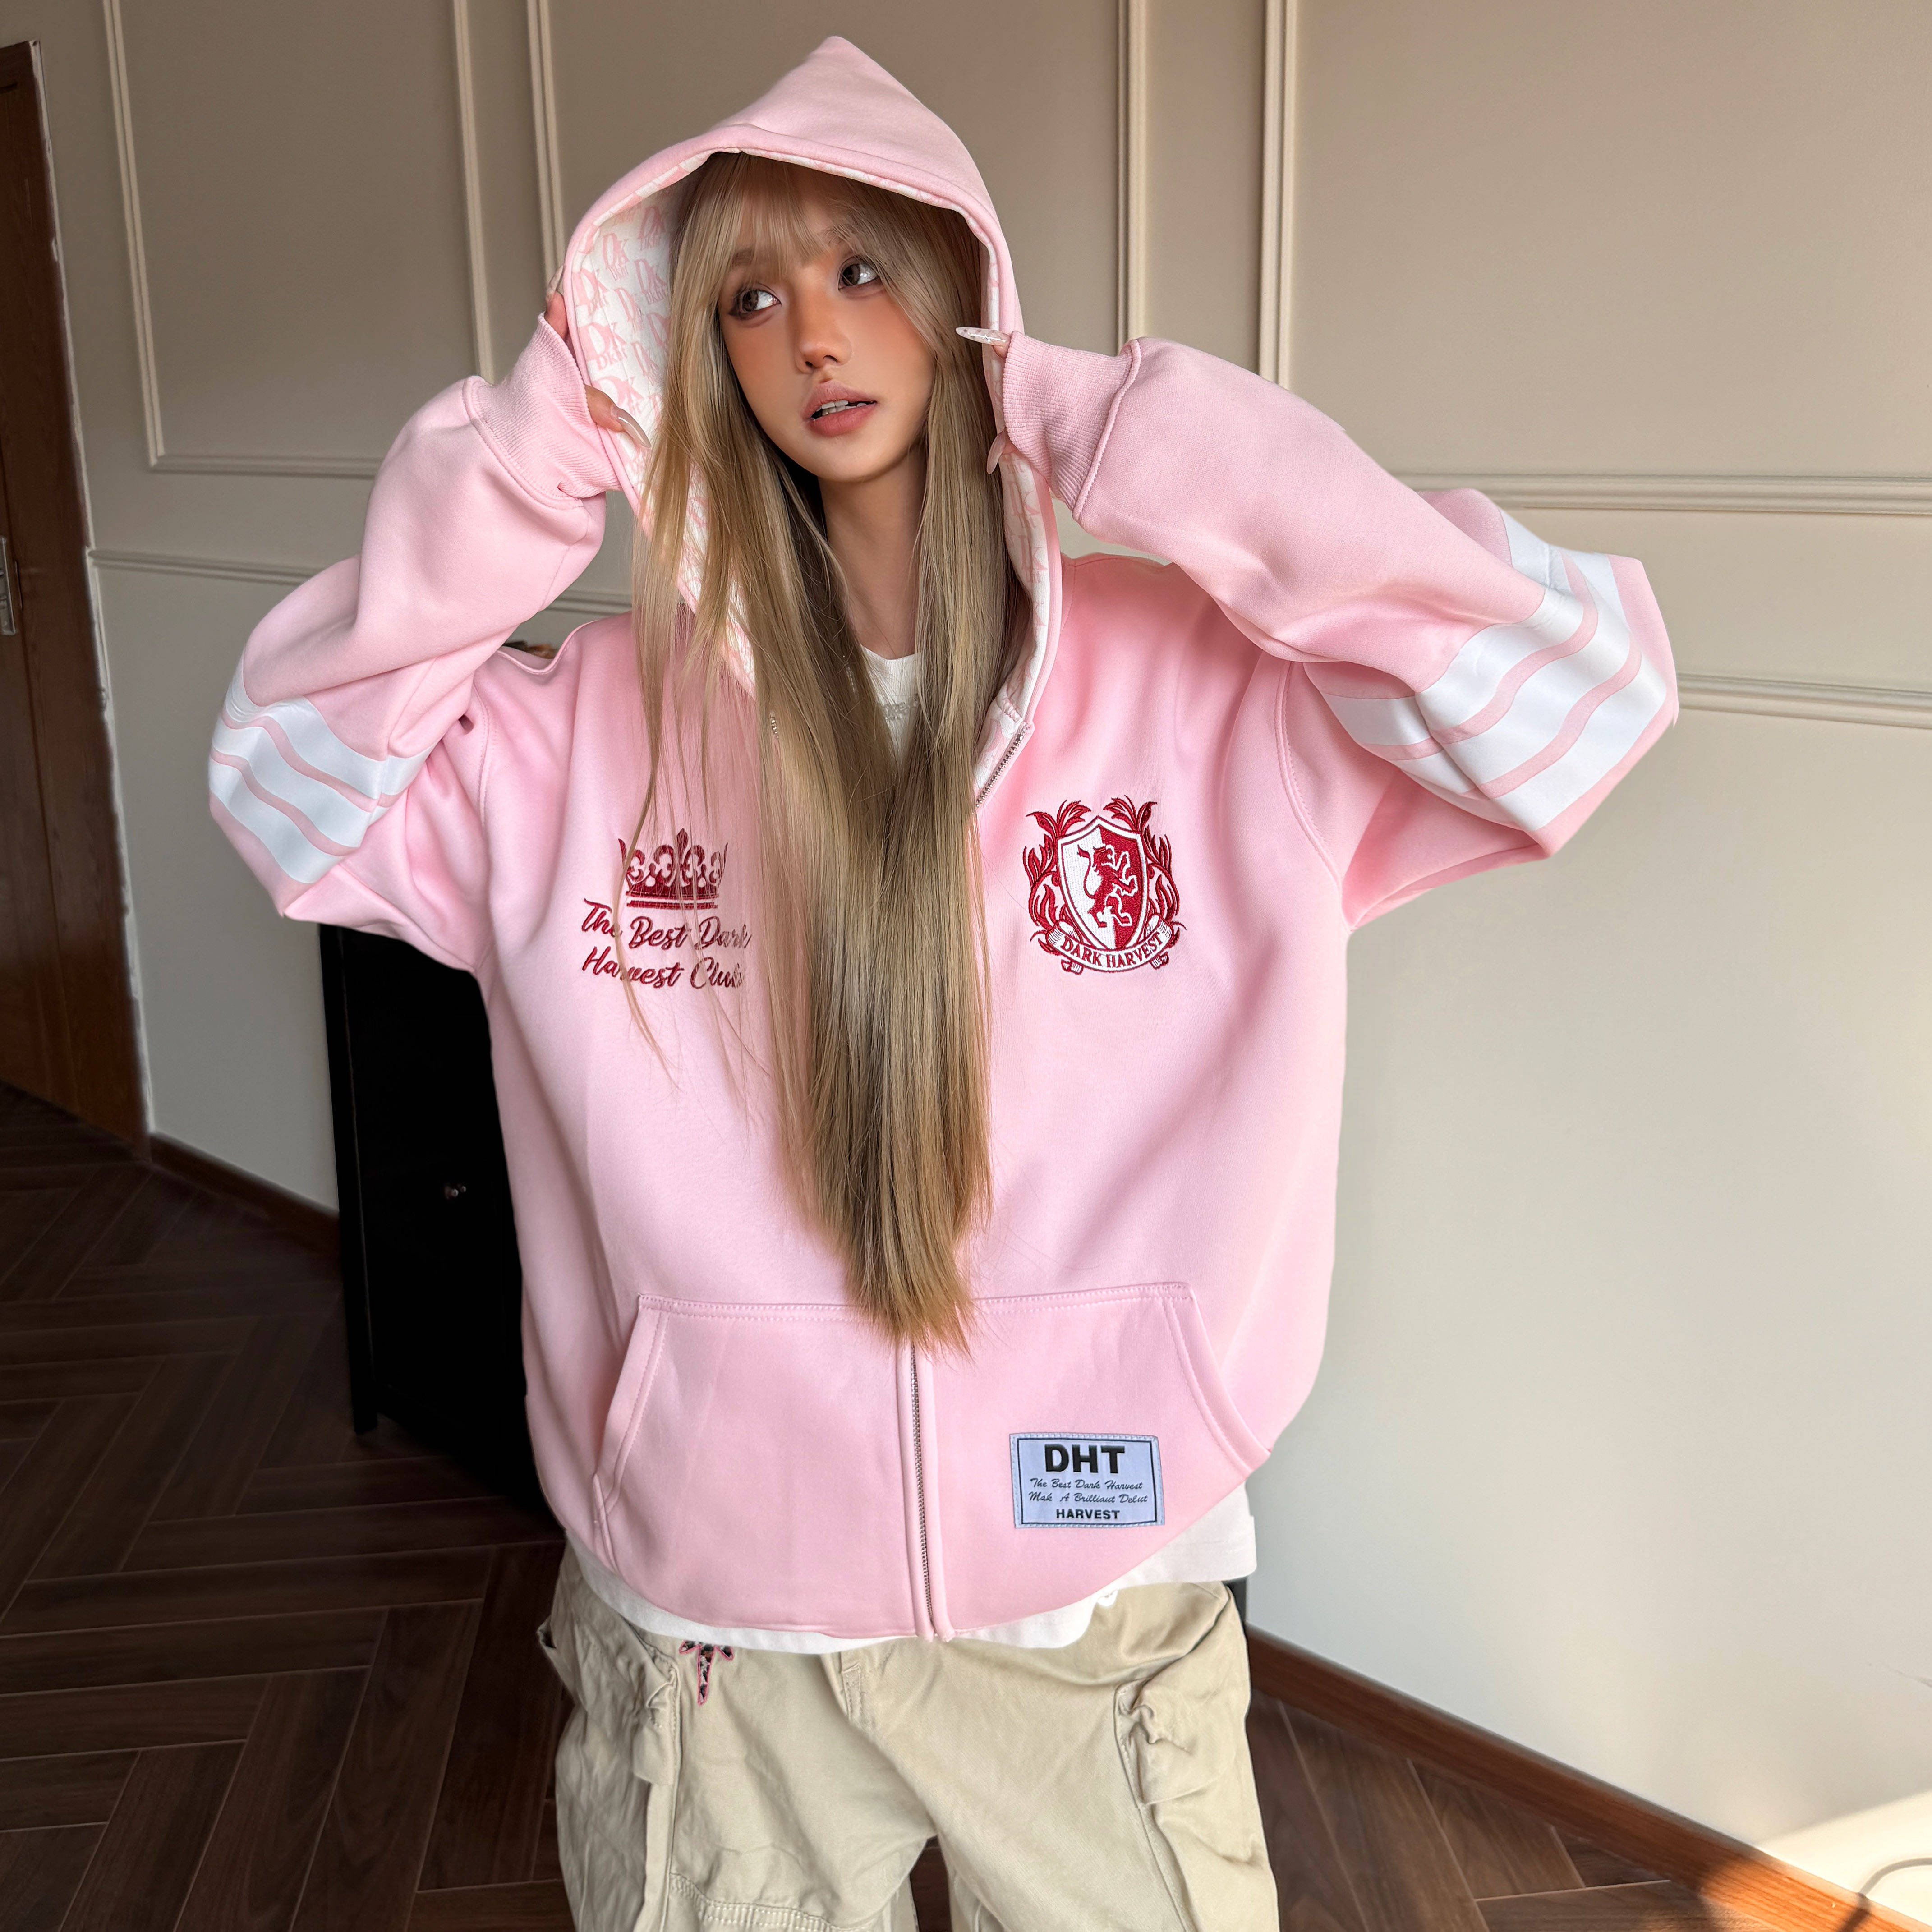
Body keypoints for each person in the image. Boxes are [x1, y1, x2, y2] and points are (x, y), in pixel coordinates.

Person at [208, 36, 1676, 1932]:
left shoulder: (1212, 696)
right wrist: (534, 451)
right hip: (718, 1642)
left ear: (965, 295)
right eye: (747, 297)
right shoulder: (585, 736)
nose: (813, 333)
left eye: (862, 268)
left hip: (1092, 1607)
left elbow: (1572, 705)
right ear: (691, 355)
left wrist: (1143, 439)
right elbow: (289, 785)